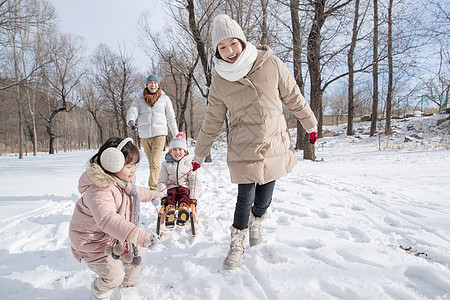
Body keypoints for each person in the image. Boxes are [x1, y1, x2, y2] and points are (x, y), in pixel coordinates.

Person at [191, 14, 318, 270]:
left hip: (273, 141)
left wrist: (310, 123)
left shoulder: (270, 63)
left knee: (264, 198)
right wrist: (199, 154)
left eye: (233, 44)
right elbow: (213, 120)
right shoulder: (219, 79)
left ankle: (257, 221)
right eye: (222, 47)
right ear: (216, 51)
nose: (229, 51)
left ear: (242, 41)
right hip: (243, 144)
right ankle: (237, 241)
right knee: (245, 196)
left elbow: (292, 96)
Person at [69, 137, 162, 300]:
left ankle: (128, 284)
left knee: (139, 253)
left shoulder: (122, 181)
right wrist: (138, 235)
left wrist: (155, 194)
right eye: (128, 166)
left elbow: (137, 191)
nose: (133, 170)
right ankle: (99, 292)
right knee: (113, 276)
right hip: (92, 242)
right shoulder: (99, 190)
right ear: (112, 163)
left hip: (112, 236)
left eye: (134, 165)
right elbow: (107, 219)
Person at [127, 74, 179, 191]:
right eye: (150, 83)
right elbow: (132, 110)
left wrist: (176, 135)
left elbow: (171, 117)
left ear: (158, 85)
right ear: (147, 84)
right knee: (152, 162)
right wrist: (131, 121)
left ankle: (154, 188)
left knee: (154, 162)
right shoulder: (139, 99)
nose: (153, 85)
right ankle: (162, 181)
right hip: (145, 135)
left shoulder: (164, 99)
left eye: (155, 83)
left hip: (160, 134)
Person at [158, 132, 201, 228]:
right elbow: (162, 181)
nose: (177, 152)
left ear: (185, 151)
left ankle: (184, 209)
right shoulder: (166, 164)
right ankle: (170, 211)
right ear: (170, 151)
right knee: (170, 196)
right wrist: (162, 195)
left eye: (180, 149)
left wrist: (193, 197)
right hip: (171, 187)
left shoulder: (189, 163)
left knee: (183, 194)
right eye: (174, 150)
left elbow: (194, 180)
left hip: (184, 186)